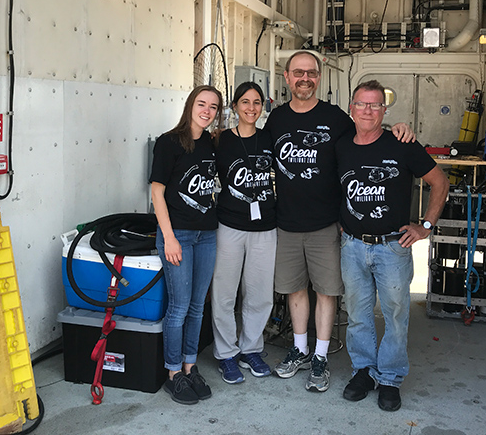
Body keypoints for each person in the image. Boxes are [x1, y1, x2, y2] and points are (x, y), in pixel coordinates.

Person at [265, 51, 413, 393]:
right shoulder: (275, 121)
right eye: (298, 73)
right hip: (286, 223)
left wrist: (397, 128)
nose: (305, 78)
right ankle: (300, 349)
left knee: (328, 291)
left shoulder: (335, 118)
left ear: (319, 77)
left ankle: (320, 356)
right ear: (287, 77)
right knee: (295, 289)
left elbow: (368, 131)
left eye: (311, 73)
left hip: (329, 224)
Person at [336, 80, 449, 412]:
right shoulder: (342, 146)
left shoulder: (402, 144)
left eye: (375, 105)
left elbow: (439, 181)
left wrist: (426, 225)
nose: (368, 111)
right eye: (362, 104)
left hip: (392, 247)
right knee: (357, 314)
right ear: (351, 109)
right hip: (353, 245)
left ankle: (390, 378)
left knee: (396, 314)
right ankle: (363, 372)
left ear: (384, 111)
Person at [149, 85, 223, 405]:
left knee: (196, 306)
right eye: (201, 104)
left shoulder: (212, 141)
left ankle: (190, 367)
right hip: (177, 234)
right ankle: (173, 374)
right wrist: (168, 237)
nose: (206, 110)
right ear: (190, 105)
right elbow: (156, 192)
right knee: (178, 307)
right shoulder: (169, 142)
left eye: (213, 107)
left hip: (207, 234)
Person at [211, 81, 277, 384]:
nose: (251, 108)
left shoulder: (270, 138)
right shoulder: (220, 140)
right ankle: (226, 354)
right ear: (235, 106)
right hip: (230, 225)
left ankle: (251, 348)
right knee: (225, 294)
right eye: (246, 102)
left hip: (265, 226)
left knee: (260, 293)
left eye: (257, 102)